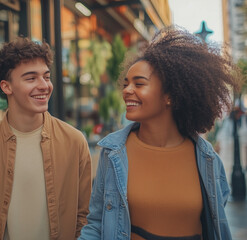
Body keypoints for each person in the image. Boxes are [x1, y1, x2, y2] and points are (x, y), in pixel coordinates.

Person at [79, 27, 242, 240]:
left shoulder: (207, 158)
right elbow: (96, 224)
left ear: (170, 96)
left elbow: (216, 222)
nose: (127, 90)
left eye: (139, 84)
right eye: (126, 84)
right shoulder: (113, 153)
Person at [0, 37, 92, 240]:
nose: (44, 86)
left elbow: (85, 220)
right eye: (31, 78)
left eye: (46, 77)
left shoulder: (75, 141)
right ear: (7, 87)